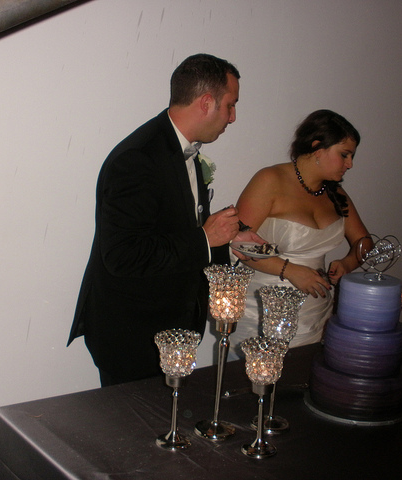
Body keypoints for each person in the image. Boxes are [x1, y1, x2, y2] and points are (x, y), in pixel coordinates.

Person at [68, 54, 259, 385]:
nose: (233, 117)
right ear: (206, 102)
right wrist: (205, 238)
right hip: (134, 337)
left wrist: (229, 240)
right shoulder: (136, 159)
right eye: (230, 105)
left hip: (171, 328)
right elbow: (123, 255)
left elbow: (175, 227)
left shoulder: (182, 148)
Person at [231, 109, 371, 354]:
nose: (350, 164)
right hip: (264, 309)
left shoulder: (335, 194)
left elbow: (364, 241)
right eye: (344, 155)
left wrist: (348, 263)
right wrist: (290, 270)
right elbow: (238, 244)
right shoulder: (270, 179)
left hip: (316, 312)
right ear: (317, 148)